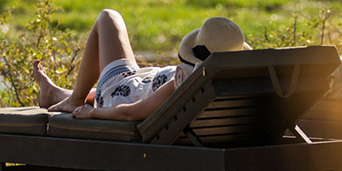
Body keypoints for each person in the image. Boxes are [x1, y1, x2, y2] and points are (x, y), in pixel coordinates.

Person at [34, 10, 250, 122]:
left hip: (119, 92)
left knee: (108, 17)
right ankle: (54, 93)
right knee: (134, 74)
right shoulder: (239, 80)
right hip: (140, 83)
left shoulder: (188, 82)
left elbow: (131, 113)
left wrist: (91, 113)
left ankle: (74, 100)